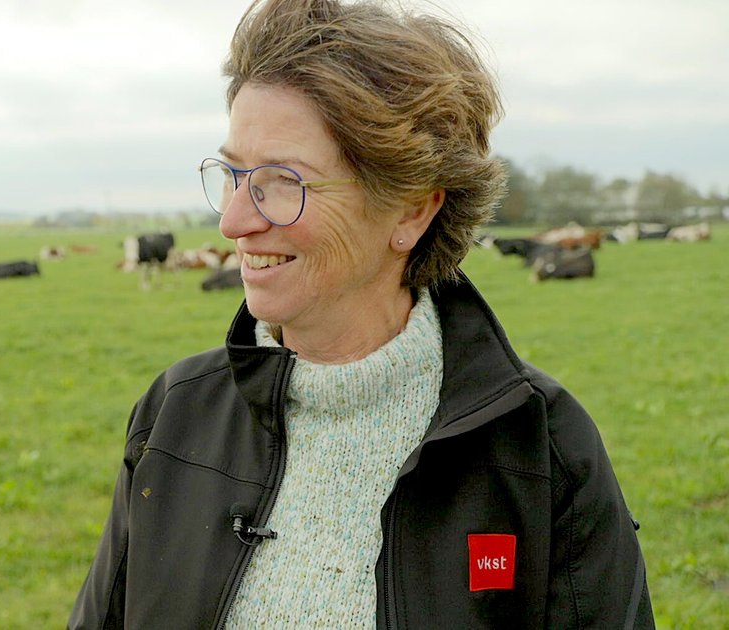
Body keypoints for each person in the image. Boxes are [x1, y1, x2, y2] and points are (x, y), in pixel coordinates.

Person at [68, 0, 654, 628]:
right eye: (234, 173)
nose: (233, 221)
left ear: (410, 210)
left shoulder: (544, 450)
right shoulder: (174, 414)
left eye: (282, 180)